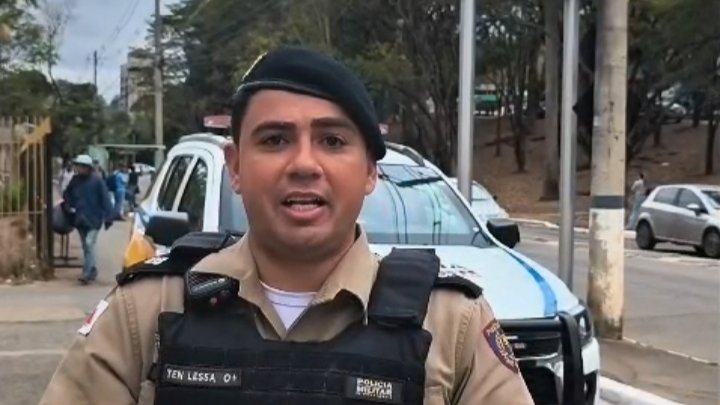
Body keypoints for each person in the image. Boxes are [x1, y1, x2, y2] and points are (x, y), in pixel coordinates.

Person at [40, 46, 533, 404]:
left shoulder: (451, 323)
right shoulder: (147, 310)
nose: (303, 164)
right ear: (236, 166)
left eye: (333, 141)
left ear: (369, 171)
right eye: (275, 140)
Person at [61, 154, 114, 284]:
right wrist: (68, 206)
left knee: (89, 243)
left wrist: (109, 217)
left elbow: (106, 200)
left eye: (82, 166)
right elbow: (67, 194)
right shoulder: (75, 180)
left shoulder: (97, 181)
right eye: (78, 166)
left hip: (94, 219)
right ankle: (92, 269)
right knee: (86, 246)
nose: (79, 169)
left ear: (88, 168)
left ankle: (87, 271)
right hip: (80, 219)